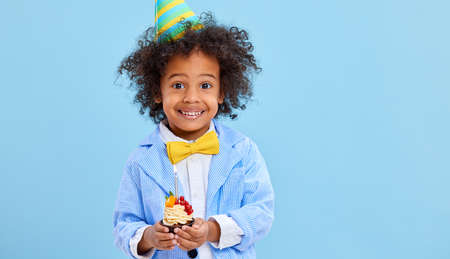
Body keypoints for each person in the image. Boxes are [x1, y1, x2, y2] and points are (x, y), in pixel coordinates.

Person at [113, 1, 274, 258]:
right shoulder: (141, 160)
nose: (191, 98)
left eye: (205, 86)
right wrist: (149, 237)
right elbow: (124, 224)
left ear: (222, 91)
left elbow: (261, 212)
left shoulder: (242, 152)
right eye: (177, 85)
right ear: (157, 90)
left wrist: (212, 229)